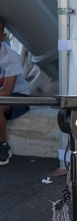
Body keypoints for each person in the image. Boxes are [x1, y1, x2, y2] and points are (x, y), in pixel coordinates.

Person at [0, 16, 31, 165]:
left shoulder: (10, 56)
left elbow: (7, 91)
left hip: (17, 97)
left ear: (3, 37)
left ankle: (2, 146)